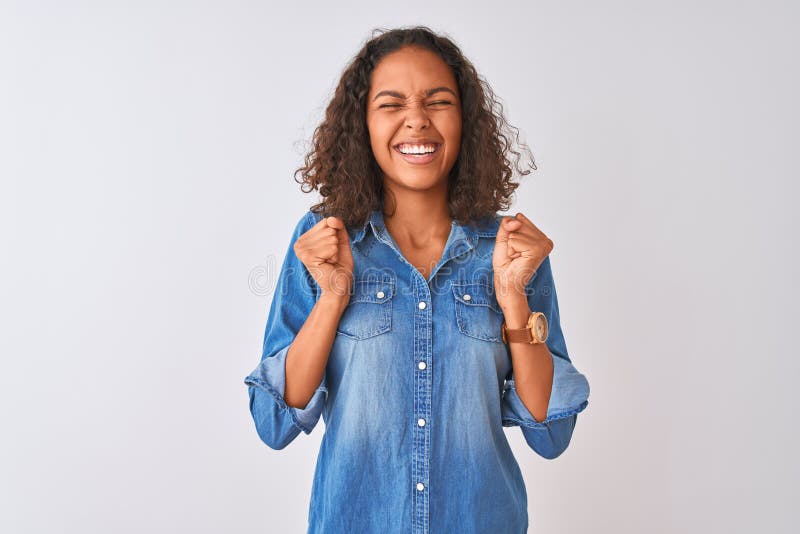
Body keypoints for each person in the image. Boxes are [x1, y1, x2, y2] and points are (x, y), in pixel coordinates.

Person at [243, 26, 590, 534]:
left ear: (464, 119)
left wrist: (514, 300)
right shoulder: (324, 239)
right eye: (391, 104)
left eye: (438, 101)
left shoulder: (509, 248)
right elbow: (275, 423)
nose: (416, 121)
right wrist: (333, 296)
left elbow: (549, 433)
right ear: (362, 123)